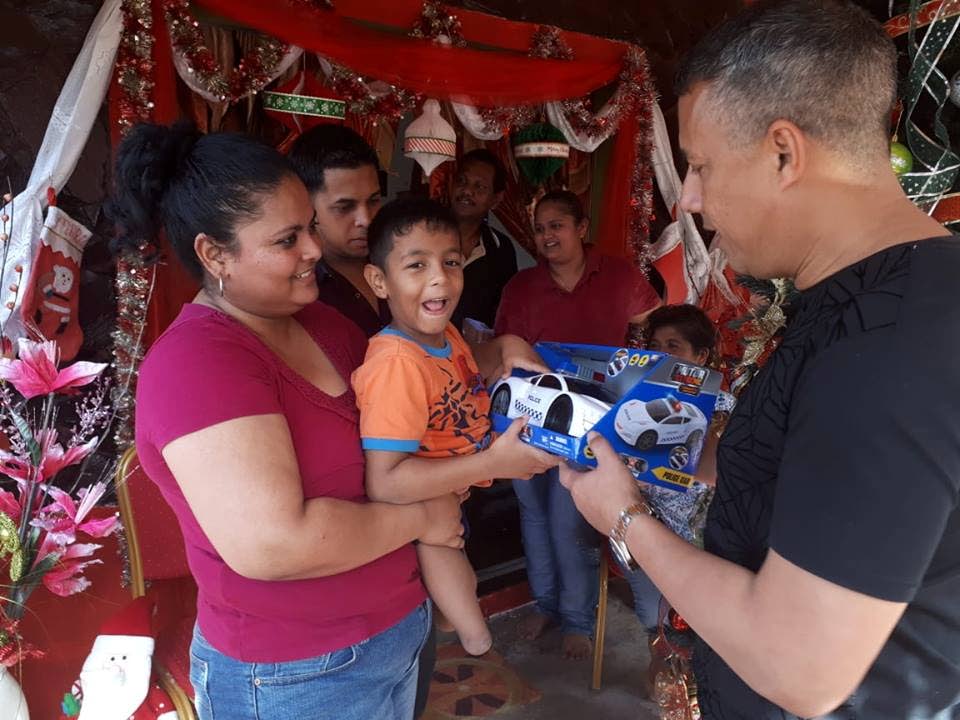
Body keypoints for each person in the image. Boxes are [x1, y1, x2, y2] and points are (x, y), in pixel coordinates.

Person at [559, 1, 960, 718]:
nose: (691, 200)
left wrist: (623, 518)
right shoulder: (883, 294)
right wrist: (677, 441)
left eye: (704, 166)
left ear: (784, 152)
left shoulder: (884, 345)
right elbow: (821, 471)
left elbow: (801, 667)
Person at [110, 123, 539, 720]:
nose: (314, 249)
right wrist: (426, 512)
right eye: (288, 238)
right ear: (215, 255)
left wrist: (504, 353)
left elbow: (417, 382)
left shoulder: (326, 324)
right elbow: (275, 543)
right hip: (296, 673)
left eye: (310, 226)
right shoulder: (197, 364)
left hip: (398, 628)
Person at [353, 197, 557, 657]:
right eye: (417, 265)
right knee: (442, 547)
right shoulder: (397, 364)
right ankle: (472, 634)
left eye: (451, 262)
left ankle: (456, 620)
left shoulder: (444, 337)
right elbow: (385, 482)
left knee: (455, 546)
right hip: (425, 492)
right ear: (379, 281)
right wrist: (492, 462)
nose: (439, 279)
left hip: (456, 483)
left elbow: (474, 367)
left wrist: (507, 344)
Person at [494, 190, 661, 659]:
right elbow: (504, 346)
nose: (547, 236)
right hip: (531, 421)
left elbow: (651, 326)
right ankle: (546, 604)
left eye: (557, 225)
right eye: (541, 228)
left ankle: (577, 622)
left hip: (591, 424)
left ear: (581, 227)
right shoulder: (521, 287)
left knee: (571, 521)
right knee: (534, 514)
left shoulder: (619, 275)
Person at [288, 124, 390, 338]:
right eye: (344, 207)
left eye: (373, 201)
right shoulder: (295, 289)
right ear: (305, 204)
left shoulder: (396, 262)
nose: (366, 220)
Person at [449, 149, 525, 334]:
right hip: (421, 353)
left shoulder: (501, 249)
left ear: (496, 199)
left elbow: (504, 314)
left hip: (475, 358)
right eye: (462, 181)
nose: (467, 191)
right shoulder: (424, 235)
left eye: (480, 187)